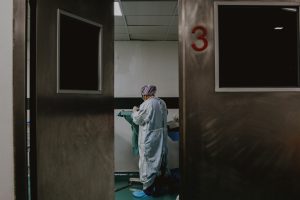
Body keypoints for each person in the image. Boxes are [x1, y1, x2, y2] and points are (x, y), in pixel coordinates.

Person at [131, 85, 168, 198]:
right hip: (160, 138)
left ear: (145, 94)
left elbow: (138, 119)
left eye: (143, 95)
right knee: (159, 162)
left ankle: (147, 191)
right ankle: (158, 188)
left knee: (147, 164)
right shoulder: (162, 102)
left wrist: (134, 111)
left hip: (149, 139)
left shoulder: (147, 104)